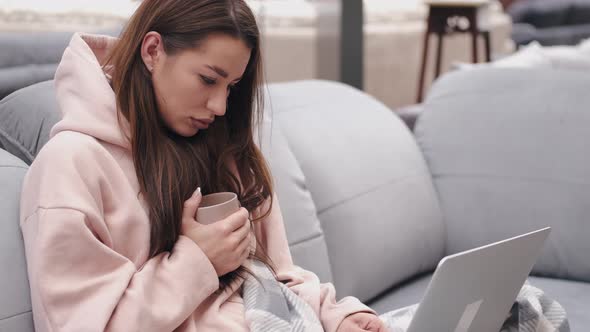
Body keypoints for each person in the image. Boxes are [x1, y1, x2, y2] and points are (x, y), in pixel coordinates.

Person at [19, 1, 388, 331]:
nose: (220, 106)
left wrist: (334, 315)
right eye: (208, 80)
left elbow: (274, 275)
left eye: (232, 87)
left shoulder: (225, 148)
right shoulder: (70, 166)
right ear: (153, 51)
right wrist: (197, 261)